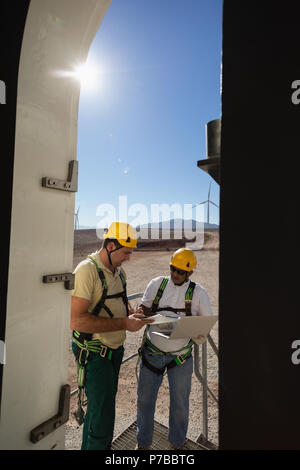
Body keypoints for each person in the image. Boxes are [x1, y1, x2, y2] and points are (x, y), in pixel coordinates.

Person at [70, 222, 153, 450]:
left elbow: (118, 303)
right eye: (126, 252)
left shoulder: (119, 273)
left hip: (114, 353)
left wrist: (132, 313)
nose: (128, 258)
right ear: (111, 245)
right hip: (96, 355)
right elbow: (76, 320)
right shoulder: (86, 271)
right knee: (102, 422)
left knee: (99, 414)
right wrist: (124, 323)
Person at [136, 248, 214, 450]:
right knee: (145, 402)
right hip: (152, 353)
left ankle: (177, 445)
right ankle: (143, 445)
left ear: (190, 273)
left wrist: (197, 333)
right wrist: (150, 317)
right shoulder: (156, 284)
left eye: (180, 271)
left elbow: (205, 324)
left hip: (180, 358)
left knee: (180, 406)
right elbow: (145, 308)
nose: (175, 274)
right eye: (173, 269)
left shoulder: (199, 293)